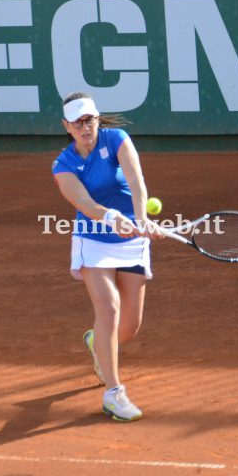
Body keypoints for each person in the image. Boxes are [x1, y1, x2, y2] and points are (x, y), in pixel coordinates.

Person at [51, 91, 161, 422]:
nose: (86, 127)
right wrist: (113, 217)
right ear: (66, 126)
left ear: (98, 119)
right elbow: (83, 203)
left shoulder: (116, 139)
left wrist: (141, 218)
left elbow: (136, 180)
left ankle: (95, 341)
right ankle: (113, 393)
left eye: (90, 119)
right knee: (108, 308)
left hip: (131, 242)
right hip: (94, 241)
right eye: (78, 122)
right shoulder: (63, 165)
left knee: (127, 329)